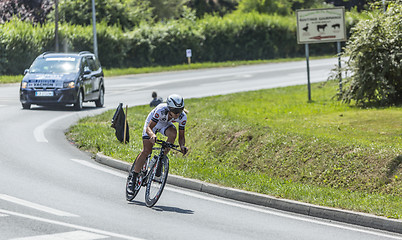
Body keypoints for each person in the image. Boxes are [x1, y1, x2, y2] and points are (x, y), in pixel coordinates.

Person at [127, 94, 188, 194]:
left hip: (165, 125)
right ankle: (133, 178)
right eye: (175, 111)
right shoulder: (161, 110)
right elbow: (149, 128)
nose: (177, 114)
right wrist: (152, 135)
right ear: (169, 108)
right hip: (152, 126)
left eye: (180, 110)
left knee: (173, 133)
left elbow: (181, 136)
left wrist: (182, 146)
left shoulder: (182, 117)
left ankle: (160, 160)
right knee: (147, 150)